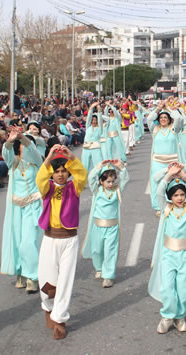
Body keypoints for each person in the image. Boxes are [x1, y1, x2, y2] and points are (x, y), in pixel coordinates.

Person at [35, 144, 87, 340]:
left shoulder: (75, 187)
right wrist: (49, 157)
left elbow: (82, 175)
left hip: (69, 240)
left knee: (65, 281)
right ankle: (49, 308)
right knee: (47, 281)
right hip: (50, 239)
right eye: (57, 172)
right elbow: (40, 179)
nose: (61, 175)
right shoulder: (47, 188)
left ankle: (60, 319)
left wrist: (71, 157)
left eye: (64, 171)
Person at [148, 161, 186, 334]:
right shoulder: (166, 209)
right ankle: (167, 316)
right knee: (168, 288)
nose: (179, 198)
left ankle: (180, 317)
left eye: (182, 195)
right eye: (176, 195)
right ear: (170, 196)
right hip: (168, 255)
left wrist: (185, 176)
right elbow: (158, 191)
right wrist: (169, 174)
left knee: (184, 289)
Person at [1, 129, 44, 293]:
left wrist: (23, 137)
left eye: (27, 144)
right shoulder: (12, 164)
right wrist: (11, 141)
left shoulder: (36, 162)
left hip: (32, 207)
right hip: (16, 208)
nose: (25, 148)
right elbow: (6, 153)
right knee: (17, 242)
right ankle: (21, 272)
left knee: (28, 242)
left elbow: (33, 149)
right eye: (22, 145)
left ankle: (33, 276)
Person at [81, 159, 128, 288]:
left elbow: (125, 180)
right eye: (108, 181)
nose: (111, 184)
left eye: (113, 181)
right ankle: (99, 268)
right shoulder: (97, 190)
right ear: (101, 181)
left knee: (110, 251)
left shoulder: (117, 190)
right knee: (97, 250)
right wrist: (99, 166)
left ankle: (108, 276)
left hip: (112, 227)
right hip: (97, 226)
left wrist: (121, 168)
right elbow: (91, 178)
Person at [145, 100, 183, 216]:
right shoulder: (155, 129)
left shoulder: (174, 129)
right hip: (158, 161)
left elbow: (179, 119)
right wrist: (158, 108)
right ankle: (159, 207)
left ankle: (173, 204)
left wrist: (168, 108)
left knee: (172, 183)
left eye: (165, 117)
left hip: (172, 162)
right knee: (157, 183)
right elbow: (149, 119)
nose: (163, 119)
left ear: (169, 119)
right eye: (161, 118)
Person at [81, 103, 104, 174]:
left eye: (95, 120)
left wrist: (99, 111)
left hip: (96, 148)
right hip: (86, 148)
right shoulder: (88, 127)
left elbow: (100, 120)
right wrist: (91, 108)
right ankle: (84, 180)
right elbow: (88, 118)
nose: (94, 121)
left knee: (98, 164)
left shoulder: (99, 128)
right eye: (92, 120)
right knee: (84, 165)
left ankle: (99, 178)